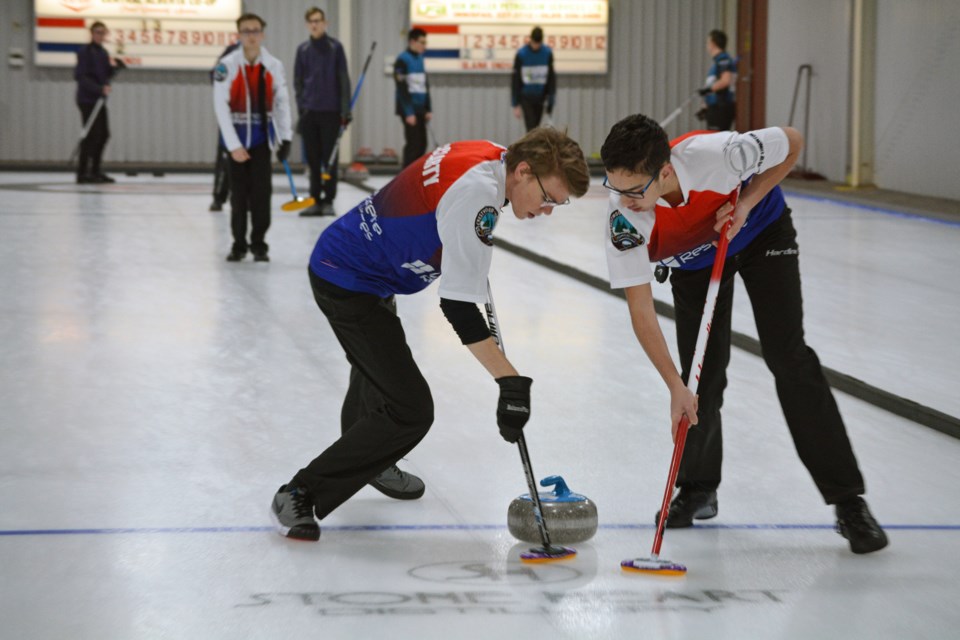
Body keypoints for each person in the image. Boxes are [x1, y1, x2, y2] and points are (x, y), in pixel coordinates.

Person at [269, 127, 590, 541]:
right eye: (549, 198)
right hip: (348, 279)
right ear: (524, 171)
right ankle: (300, 492)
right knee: (411, 409)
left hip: (370, 269)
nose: (547, 210)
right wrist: (509, 381)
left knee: (378, 373)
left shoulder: (490, 157)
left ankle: (372, 458)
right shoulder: (478, 193)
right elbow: (457, 306)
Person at [598, 114, 888, 554]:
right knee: (700, 379)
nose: (626, 200)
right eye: (615, 188)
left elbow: (792, 141)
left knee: (788, 357)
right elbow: (641, 311)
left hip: (758, 234)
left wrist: (749, 202)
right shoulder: (624, 219)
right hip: (694, 263)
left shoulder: (719, 155)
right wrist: (674, 386)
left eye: (635, 190)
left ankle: (849, 502)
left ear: (666, 171)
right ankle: (698, 489)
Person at [212, 13, 292, 263]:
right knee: (238, 196)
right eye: (246, 31)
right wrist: (233, 145)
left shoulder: (273, 66)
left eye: (255, 30)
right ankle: (238, 244)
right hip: (236, 142)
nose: (251, 35)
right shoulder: (227, 66)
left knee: (261, 195)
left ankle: (259, 242)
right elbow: (220, 106)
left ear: (262, 34)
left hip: (260, 142)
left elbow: (281, 103)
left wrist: (286, 137)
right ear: (238, 35)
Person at [294, 7, 351, 217]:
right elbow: (298, 82)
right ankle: (315, 199)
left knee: (329, 160)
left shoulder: (335, 48)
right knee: (313, 160)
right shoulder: (302, 50)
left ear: (325, 23)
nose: (315, 24)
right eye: (311, 21)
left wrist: (346, 109)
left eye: (318, 20)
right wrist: (302, 106)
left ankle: (328, 200)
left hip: (331, 112)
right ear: (307, 24)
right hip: (310, 113)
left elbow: (344, 80)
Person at [74, 21, 119, 184]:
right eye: (98, 32)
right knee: (91, 135)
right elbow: (81, 76)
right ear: (92, 33)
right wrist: (98, 89)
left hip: (99, 100)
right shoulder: (85, 52)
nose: (101, 35)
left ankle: (95, 171)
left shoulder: (103, 53)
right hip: (87, 99)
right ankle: (83, 172)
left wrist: (115, 68)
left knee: (103, 134)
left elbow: (105, 73)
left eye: (103, 32)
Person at [394, 28, 432, 168]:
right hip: (409, 110)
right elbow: (401, 88)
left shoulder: (420, 59)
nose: (424, 45)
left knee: (422, 144)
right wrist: (408, 112)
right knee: (413, 145)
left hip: (421, 108)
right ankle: (406, 177)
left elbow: (425, 85)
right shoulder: (402, 60)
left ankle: (416, 174)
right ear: (412, 41)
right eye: (422, 42)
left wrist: (428, 108)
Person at [209, 42, 240, 212]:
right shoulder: (230, 54)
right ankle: (219, 196)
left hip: (252, 120)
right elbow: (215, 75)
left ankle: (245, 198)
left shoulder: (261, 57)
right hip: (231, 115)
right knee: (225, 157)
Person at [511, 27, 557, 132]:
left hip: (540, 97)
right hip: (526, 97)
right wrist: (516, 103)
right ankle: (531, 147)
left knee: (536, 127)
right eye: (534, 43)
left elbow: (551, 78)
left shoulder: (547, 53)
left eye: (538, 43)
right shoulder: (522, 54)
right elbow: (516, 80)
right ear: (530, 40)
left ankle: (532, 147)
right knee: (531, 127)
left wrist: (551, 99)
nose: (536, 46)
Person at [698, 29, 737, 131]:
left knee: (716, 139)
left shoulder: (723, 60)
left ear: (713, 43)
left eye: (708, 42)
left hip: (721, 107)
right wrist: (705, 107)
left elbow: (725, 81)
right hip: (715, 107)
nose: (707, 45)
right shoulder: (718, 61)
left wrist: (708, 90)